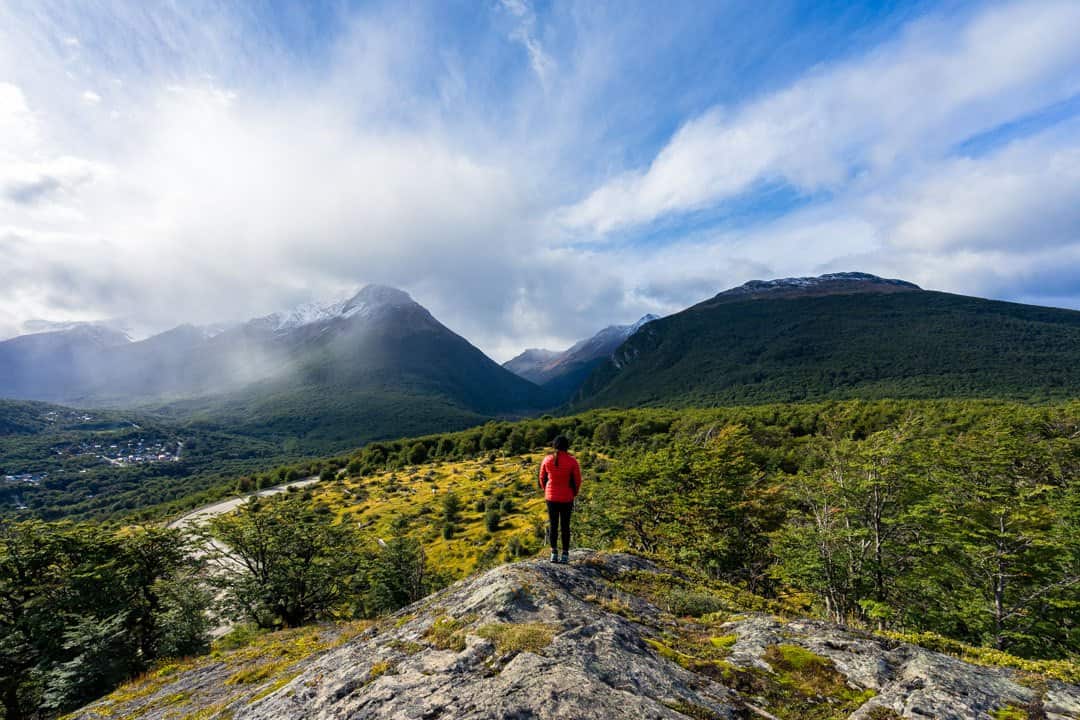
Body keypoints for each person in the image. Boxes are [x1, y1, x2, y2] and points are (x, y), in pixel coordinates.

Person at [538, 435, 581, 564]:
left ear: (554, 446)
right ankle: (565, 555)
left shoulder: (547, 459)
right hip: (567, 497)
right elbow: (577, 480)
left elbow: (542, 478)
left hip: (551, 497)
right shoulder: (572, 461)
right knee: (565, 526)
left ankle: (553, 553)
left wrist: (546, 490)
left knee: (553, 525)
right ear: (567, 446)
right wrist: (574, 493)